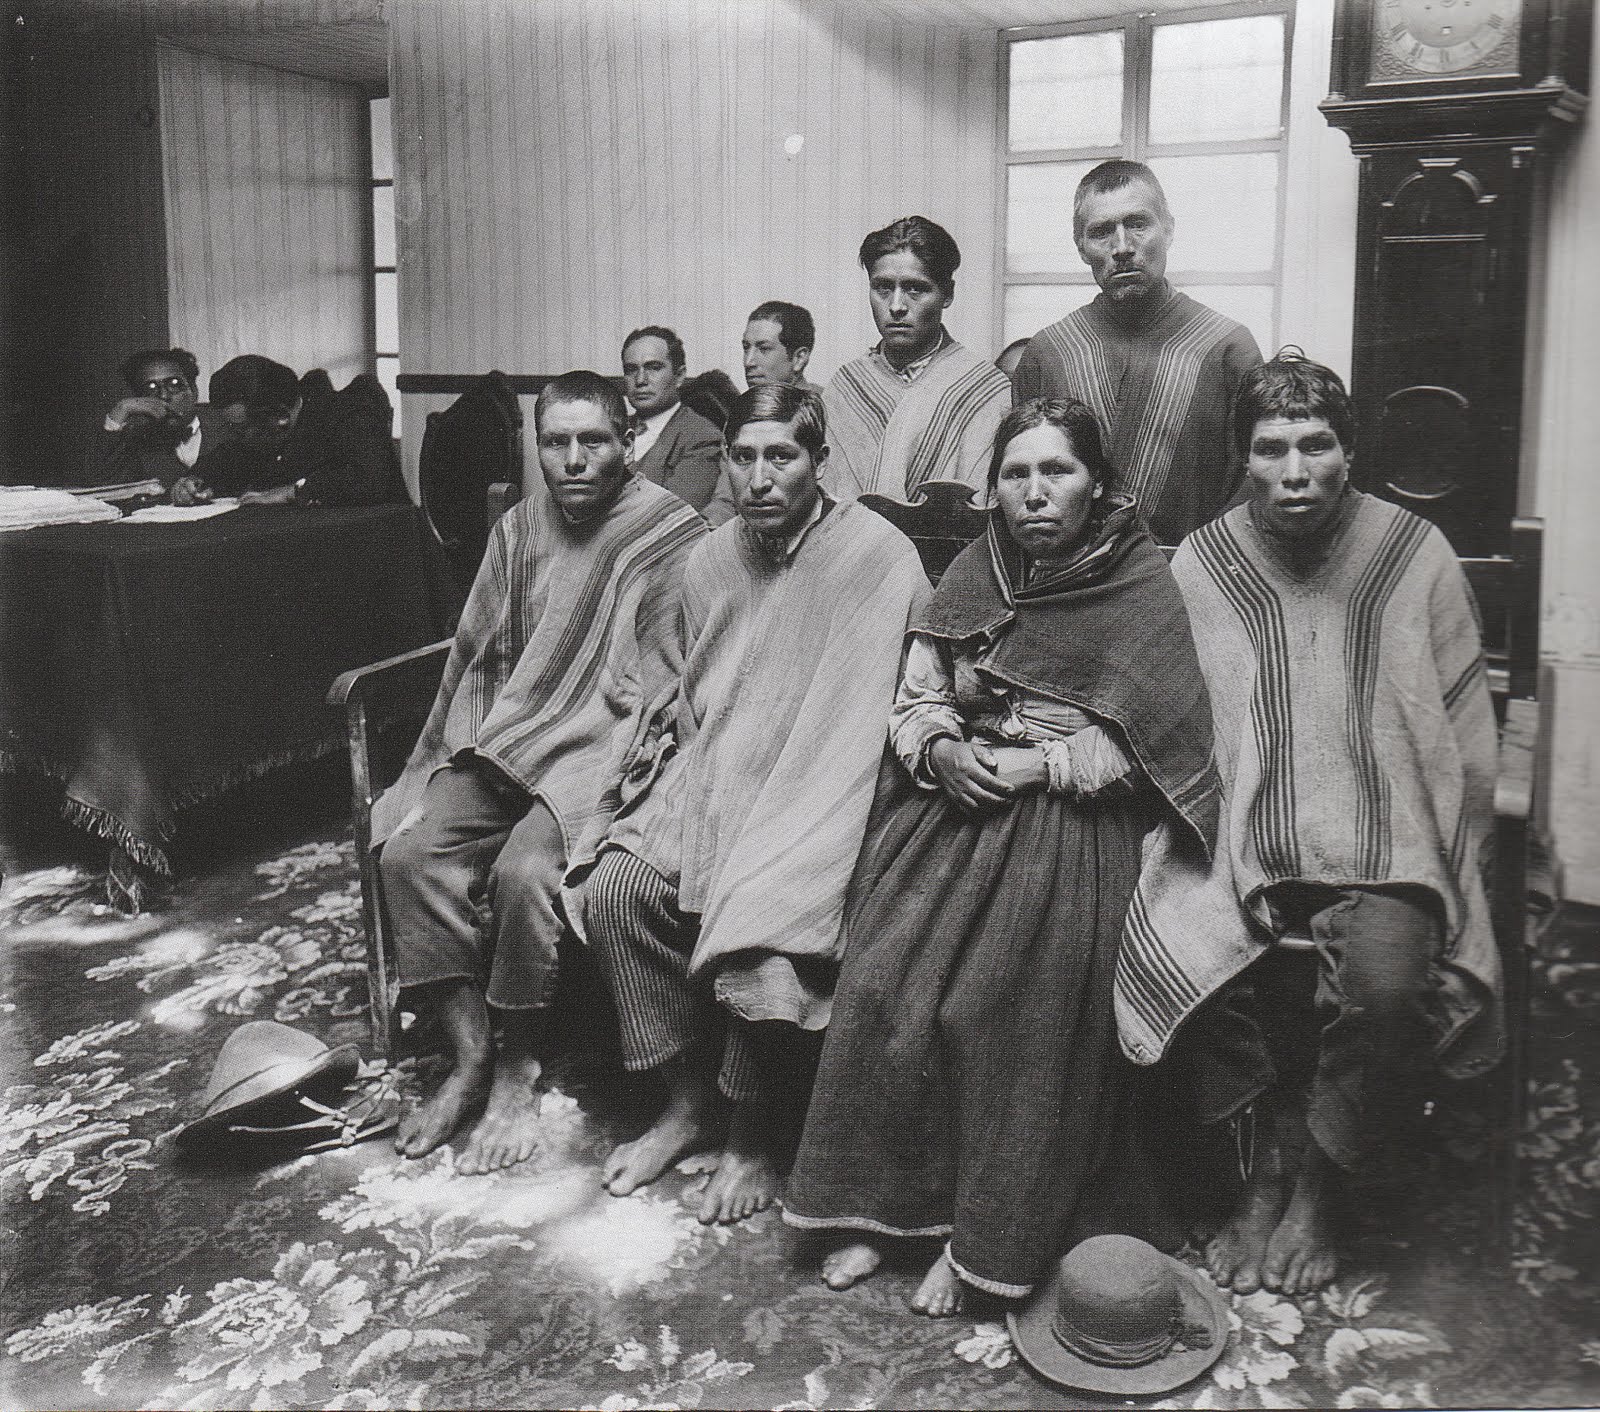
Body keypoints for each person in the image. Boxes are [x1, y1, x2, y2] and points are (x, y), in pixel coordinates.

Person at [784, 397, 1218, 1316]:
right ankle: (883, 1209)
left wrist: (1038, 765)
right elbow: (919, 691)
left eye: (1057, 470)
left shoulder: (1139, 584)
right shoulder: (980, 567)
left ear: (1097, 484)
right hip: (954, 810)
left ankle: (976, 1235)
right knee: (885, 980)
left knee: (1003, 1002)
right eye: (1016, 474)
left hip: (1075, 826)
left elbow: (1152, 748)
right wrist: (941, 746)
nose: (1035, 492)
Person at [1117, 352, 1502, 1296]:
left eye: (1316, 445)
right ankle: (1261, 1177)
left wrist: (1456, 855)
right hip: (1244, 840)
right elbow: (1177, 719)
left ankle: (1321, 1191)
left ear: (1350, 452)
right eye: (1271, 448)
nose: (1295, 472)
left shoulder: (1414, 553)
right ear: (1243, 459)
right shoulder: (1206, 562)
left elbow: (1462, 735)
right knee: (1180, 949)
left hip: (1388, 845)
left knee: (1385, 988)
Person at [579, 383, 930, 1225]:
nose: (760, 478)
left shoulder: (878, 558)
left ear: (820, 460)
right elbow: (689, 688)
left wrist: (793, 807)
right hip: (717, 779)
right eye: (743, 457)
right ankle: (688, 1101)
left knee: (760, 919)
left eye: (782, 456)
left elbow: (905, 701)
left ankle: (751, 1130)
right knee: (617, 889)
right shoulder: (711, 560)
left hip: (834, 792)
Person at [372, 370, 705, 1173]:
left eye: (593, 440)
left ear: (628, 442)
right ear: (537, 447)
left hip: (611, 745)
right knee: (409, 855)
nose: (574, 460)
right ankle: (471, 1055)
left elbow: (676, 675)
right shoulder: (518, 529)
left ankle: (518, 1066)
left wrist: (629, 747)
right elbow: (473, 652)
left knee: (525, 872)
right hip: (514, 733)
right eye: (556, 442)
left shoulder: (673, 532)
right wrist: (427, 760)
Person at [1012, 161, 1262, 545]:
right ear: (1080, 247)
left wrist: (1205, 559)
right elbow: (1022, 477)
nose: (1123, 247)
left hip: (1193, 567)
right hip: (1070, 572)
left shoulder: (1227, 348)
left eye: (1138, 224)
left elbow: (1256, 475)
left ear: (1169, 230)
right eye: (1101, 232)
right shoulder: (1049, 353)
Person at [821, 215, 1013, 502]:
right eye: (883, 288)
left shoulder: (984, 389)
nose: (896, 306)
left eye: (915, 288)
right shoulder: (845, 387)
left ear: (947, 294)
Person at [183, 354, 406, 506]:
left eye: (240, 429)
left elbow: (370, 479)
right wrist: (195, 480)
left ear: (281, 418)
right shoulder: (267, 429)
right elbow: (230, 457)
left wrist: (291, 492)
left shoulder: (351, 414)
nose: (235, 436)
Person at [622, 326, 729, 522]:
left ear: (679, 376)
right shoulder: (613, 429)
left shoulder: (702, 436)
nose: (640, 380)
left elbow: (672, 517)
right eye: (631, 370)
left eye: (654, 368)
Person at [90, 348, 225, 494]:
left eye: (174, 385)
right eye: (151, 388)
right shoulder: (136, 440)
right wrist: (120, 411)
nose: (164, 396)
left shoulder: (226, 424)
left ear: (194, 391)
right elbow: (100, 485)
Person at [741, 300, 821, 394]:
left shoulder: (826, 402)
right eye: (746, 348)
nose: (748, 362)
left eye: (764, 349)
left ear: (799, 358)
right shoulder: (744, 402)